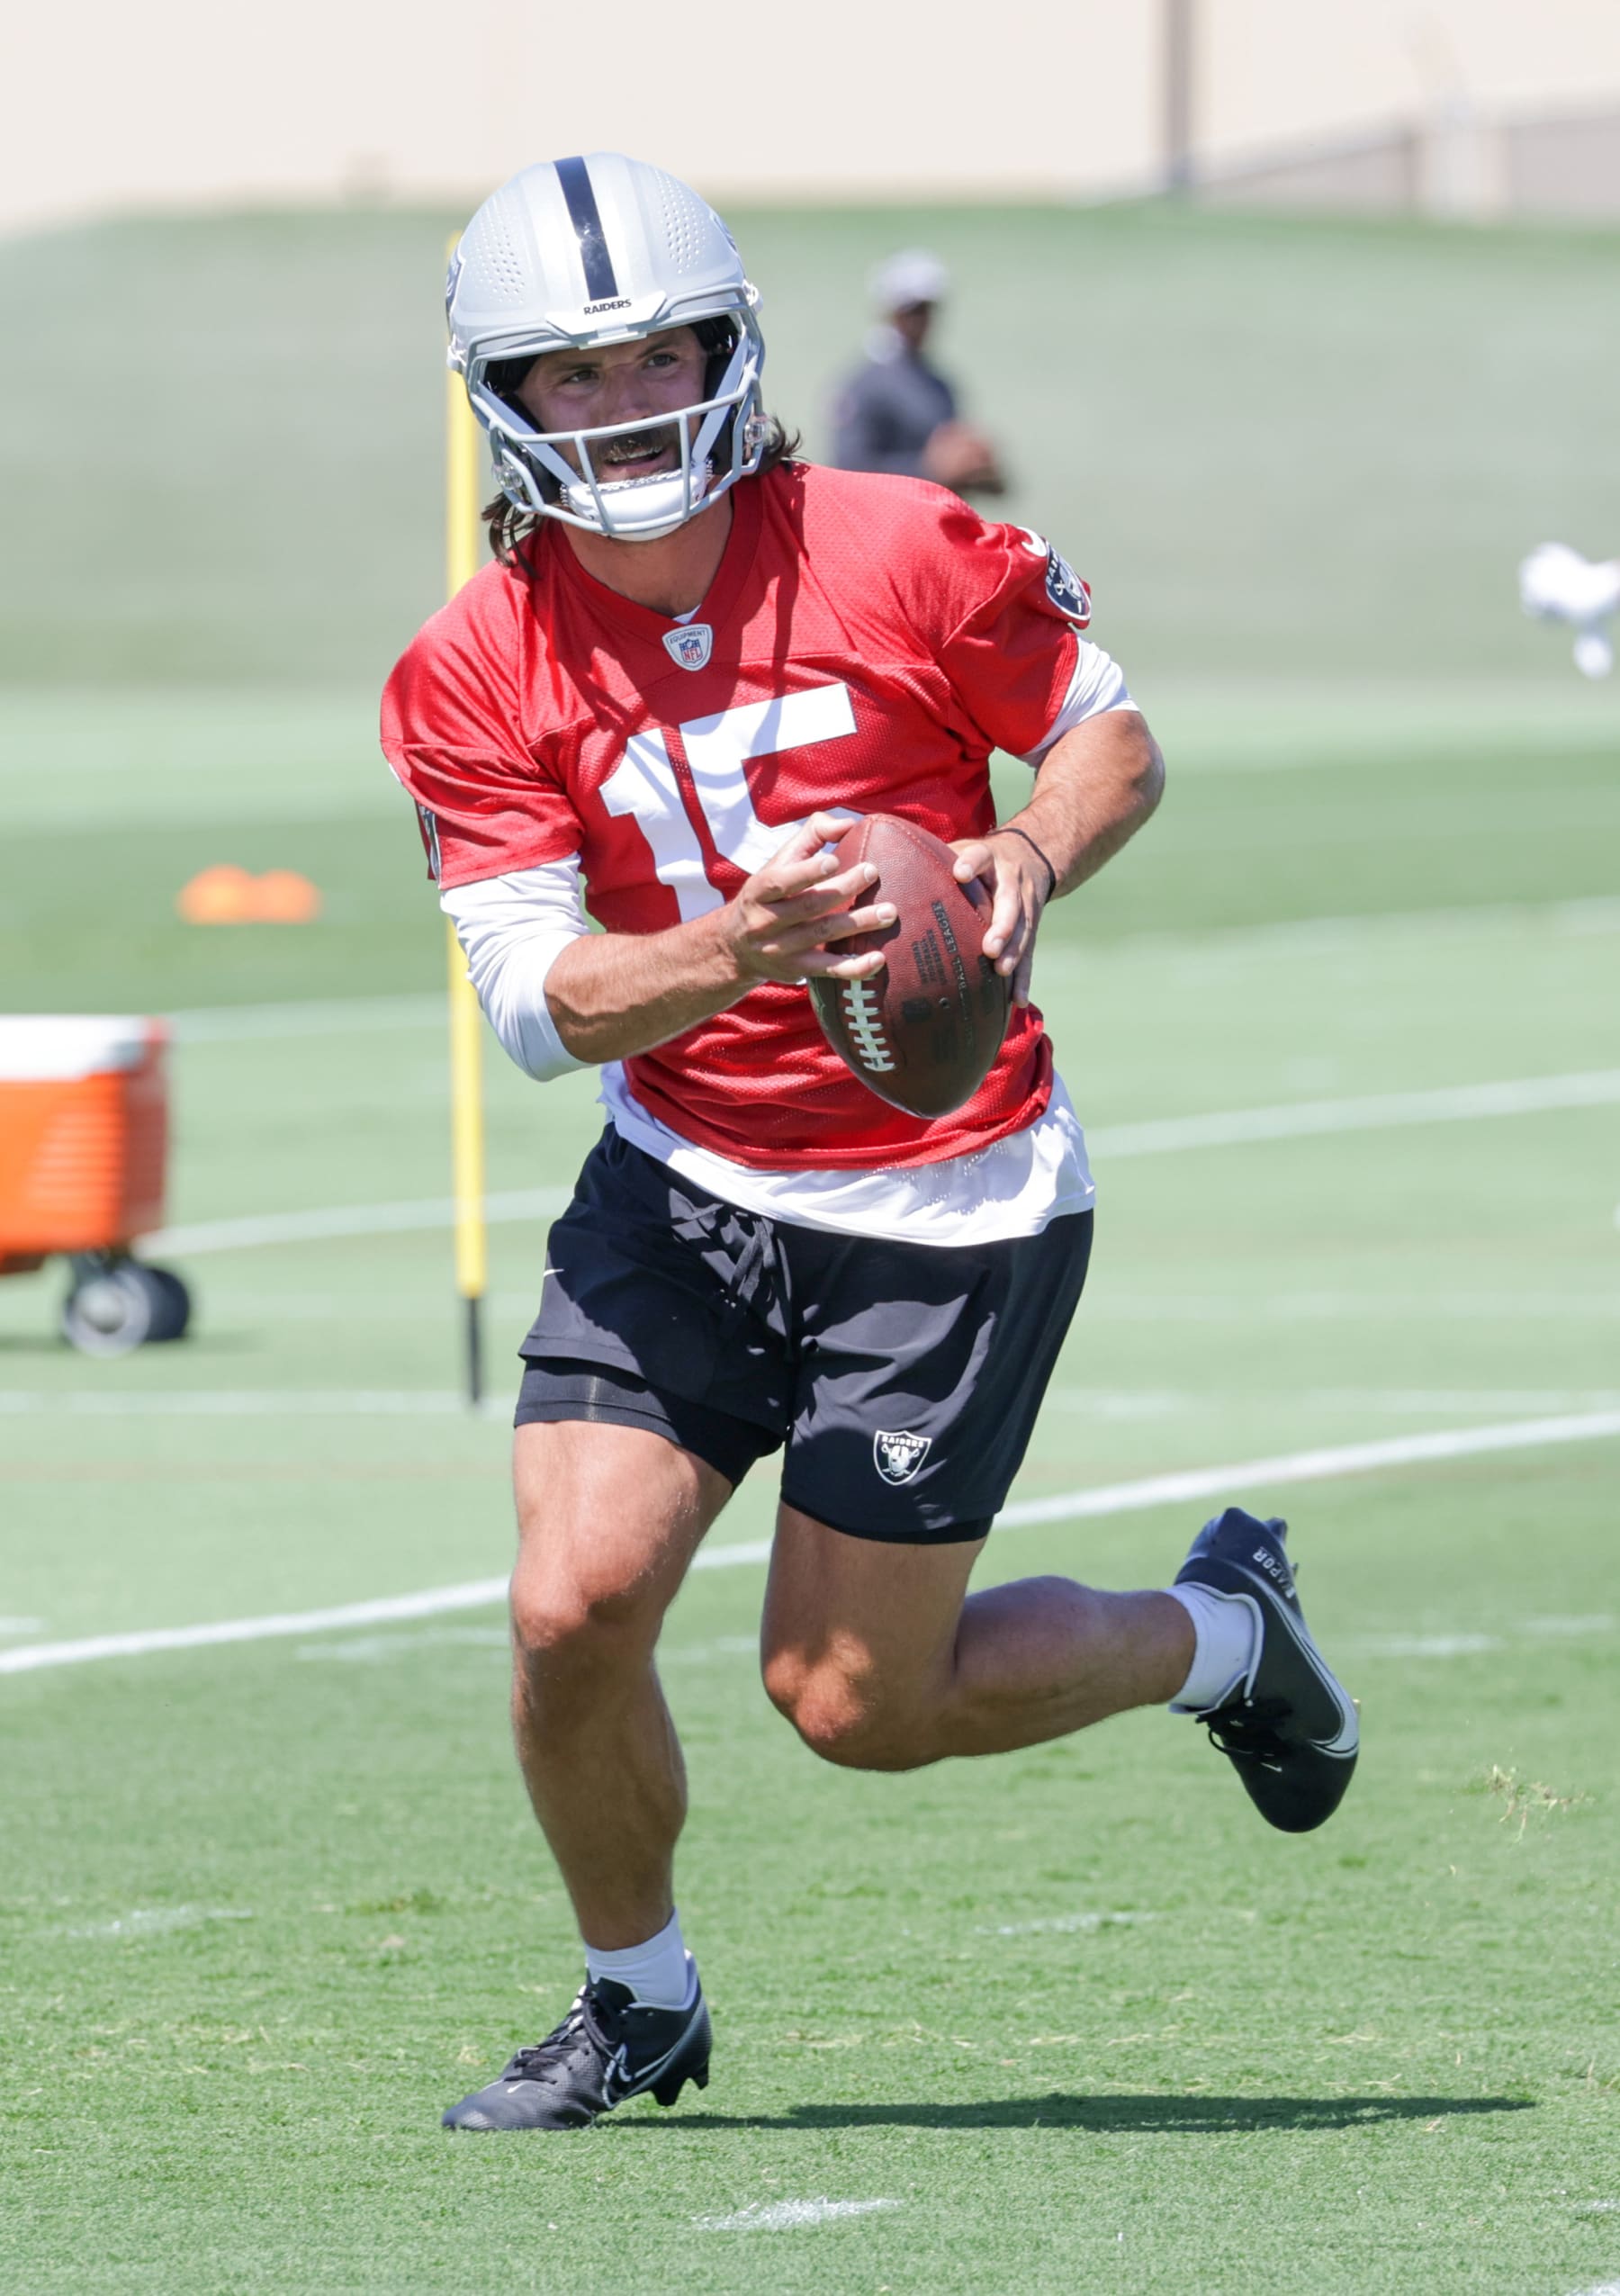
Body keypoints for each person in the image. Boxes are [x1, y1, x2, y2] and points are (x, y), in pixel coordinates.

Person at [381, 150, 1358, 2136]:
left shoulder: (901, 545)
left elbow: (1111, 738)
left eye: (663, 354)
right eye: (574, 375)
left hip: (948, 1199)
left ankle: (1229, 1636)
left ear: (736, 355)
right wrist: (730, 949)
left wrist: (1026, 846)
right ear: (499, 401)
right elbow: (535, 1006)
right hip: (688, 1173)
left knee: (854, 1708)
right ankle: (635, 1997)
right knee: (570, 1608)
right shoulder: (473, 667)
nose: (629, 403)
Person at [830, 248, 1006, 496]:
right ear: (889, 312)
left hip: (936, 523)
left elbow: (965, 475)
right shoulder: (863, 385)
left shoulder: (939, 384)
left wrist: (981, 468)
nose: (922, 320)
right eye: (913, 310)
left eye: (928, 310)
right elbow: (848, 468)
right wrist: (929, 470)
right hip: (890, 527)